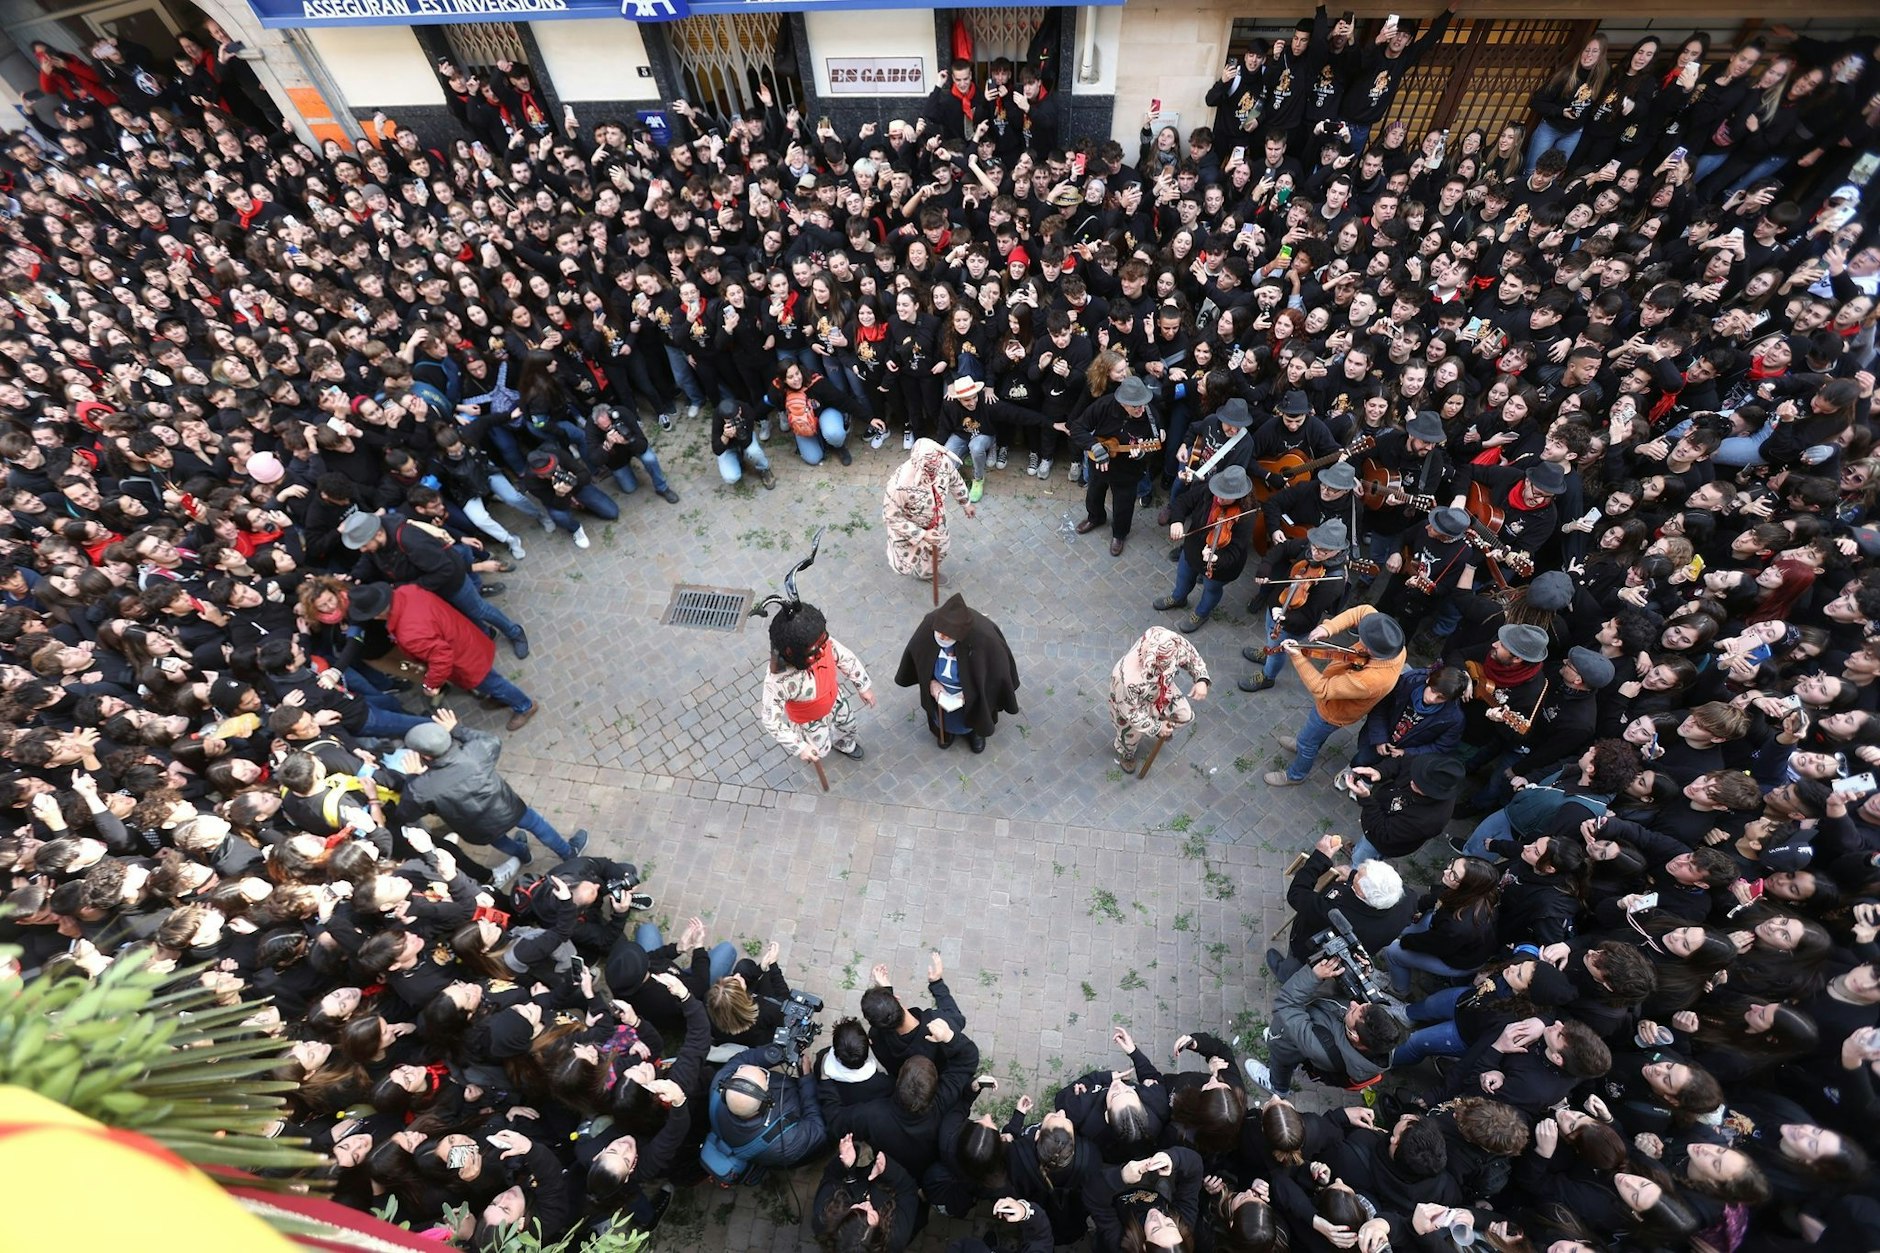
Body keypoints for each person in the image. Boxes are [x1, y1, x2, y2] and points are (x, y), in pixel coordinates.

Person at [400, 708, 586, 874]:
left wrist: (413, 778)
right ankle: (568, 853)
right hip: (508, 807)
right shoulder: (475, 752)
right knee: (537, 825)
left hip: (479, 828)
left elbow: (406, 813)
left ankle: (524, 855)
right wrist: (457, 729)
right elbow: (492, 740)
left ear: (425, 756)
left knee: (500, 841)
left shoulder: (421, 787)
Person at [344, 580, 539, 731]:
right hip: (463, 638)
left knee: (491, 681)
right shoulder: (407, 591)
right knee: (488, 680)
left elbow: (440, 658)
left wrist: (431, 684)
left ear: (376, 615)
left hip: (463, 658)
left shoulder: (409, 632)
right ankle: (502, 697)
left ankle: (524, 706)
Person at [1266, 607, 1408, 786]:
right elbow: (1362, 611)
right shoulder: (1393, 646)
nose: (1359, 639)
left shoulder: (1371, 680)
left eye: (1363, 641)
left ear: (1371, 650)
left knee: (1309, 742)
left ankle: (1296, 775)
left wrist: (1298, 657)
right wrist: (1328, 628)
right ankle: (1304, 743)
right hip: (1333, 699)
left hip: (1333, 712)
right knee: (1313, 737)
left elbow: (1321, 688)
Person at [893, 593, 1022, 754]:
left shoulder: (984, 638)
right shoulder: (929, 625)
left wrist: (970, 693)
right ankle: (944, 731)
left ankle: (976, 732)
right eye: (940, 632)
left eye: (947, 635)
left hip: (969, 695)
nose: (941, 637)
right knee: (942, 717)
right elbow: (919, 658)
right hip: (940, 691)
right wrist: (931, 682)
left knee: (975, 713)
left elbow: (994, 673)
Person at [757, 597, 875, 771]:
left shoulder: (820, 643)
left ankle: (844, 743)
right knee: (819, 748)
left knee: (848, 725)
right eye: (814, 651)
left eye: (823, 643)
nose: (822, 651)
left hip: (835, 700)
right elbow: (770, 719)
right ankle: (814, 746)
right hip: (809, 721)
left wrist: (862, 686)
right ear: (791, 652)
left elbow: (846, 658)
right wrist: (799, 747)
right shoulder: (778, 681)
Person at [1155, 463, 1257, 633]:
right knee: (1183, 576)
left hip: (1220, 566)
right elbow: (1183, 502)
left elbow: (1236, 550)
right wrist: (1177, 521)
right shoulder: (1210, 491)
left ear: (1239, 496)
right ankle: (1178, 598)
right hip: (1194, 548)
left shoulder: (1246, 515)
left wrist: (1217, 558)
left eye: (1226, 496)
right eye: (1219, 493)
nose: (1220, 499)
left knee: (1211, 588)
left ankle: (1201, 614)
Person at [1072, 375, 1162, 557]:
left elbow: (1155, 444)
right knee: (1094, 494)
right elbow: (1077, 427)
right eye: (1135, 406)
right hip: (1099, 462)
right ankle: (1095, 518)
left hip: (1128, 470)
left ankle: (1119, 534)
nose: (1141, 409)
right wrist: (1094, 447)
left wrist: (1142, 455)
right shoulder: (1104, 405)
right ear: (1123, 403)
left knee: (1124, 505)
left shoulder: (1151, 416)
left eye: (1142, 404)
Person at [1108, 626, 1211, 774]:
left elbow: (1190, 655)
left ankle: (1160, 721)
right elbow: (1131, 713)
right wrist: (1156, 727)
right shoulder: (1125, 678)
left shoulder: (1167, 641)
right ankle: (1126, 754)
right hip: (1134, 705)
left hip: (1162, 691)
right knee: (1129, 737)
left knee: (1184, 715)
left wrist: (1201, 679)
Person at [882, 438, 976, 582]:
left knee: (941, 548)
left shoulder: (943, 462)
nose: (936, 467)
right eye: (930, 466)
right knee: (904, 564)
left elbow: (955, 481)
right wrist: (922, 534)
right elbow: (891, 517)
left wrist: (966, 503)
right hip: (910, 524)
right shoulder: (898, 485)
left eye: (937, 461)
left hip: (936, 519)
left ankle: (926, 573)